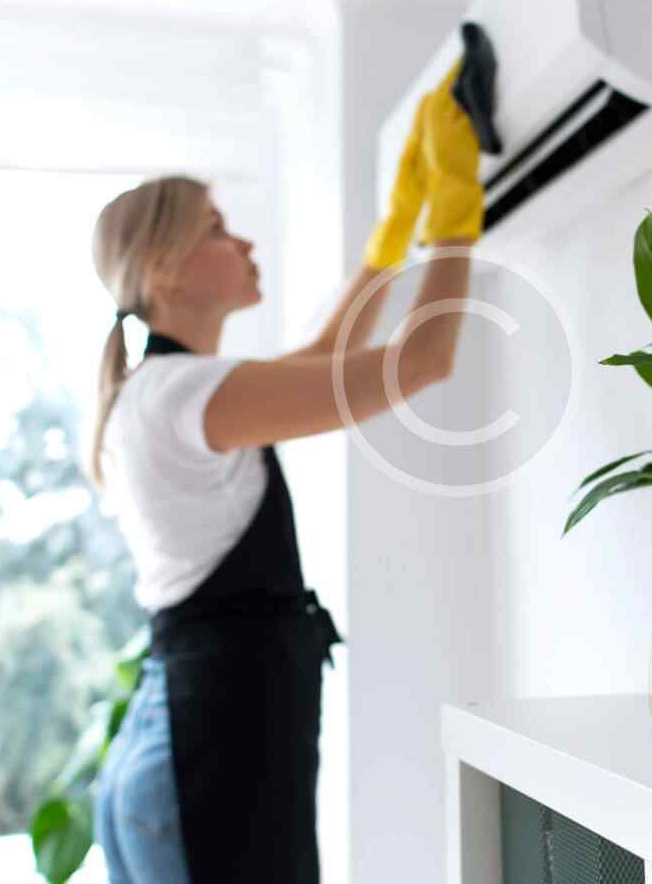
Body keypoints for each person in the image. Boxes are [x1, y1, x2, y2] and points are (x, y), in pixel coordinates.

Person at [88, 59, 481, 884]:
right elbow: (423, 360)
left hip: (180, 748)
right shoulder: (183, 394)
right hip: (208, 756)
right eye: (217, 229)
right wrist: (454, 219)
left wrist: (390, 243)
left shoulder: (163, 391)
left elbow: (323, 359)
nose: (245, 243)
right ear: (163, 267)